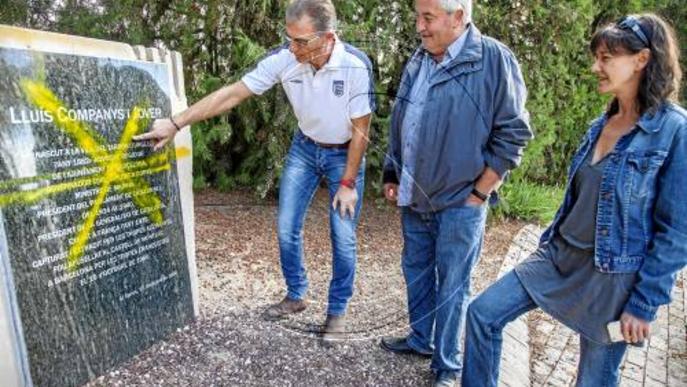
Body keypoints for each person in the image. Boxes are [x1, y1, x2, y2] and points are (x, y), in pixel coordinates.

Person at [462, 13, 687, 387]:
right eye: (596, 56)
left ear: (642, 59)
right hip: (558, 256)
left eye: (606, 58)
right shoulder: (600, 124)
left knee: (593, 380)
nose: (595, 66)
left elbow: (677, 232)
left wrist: (643, 305)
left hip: (612, 276)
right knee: (483, 314)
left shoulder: (675, 132)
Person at [134, 0, 375, 343]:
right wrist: (176, 123)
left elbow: (361, 130)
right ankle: (296, 294)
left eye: (301, 41)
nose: (292, 48)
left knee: (343, 234)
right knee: (286, 226)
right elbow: (232, 95)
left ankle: (337, 312)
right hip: (304, 148)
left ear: (327, 37)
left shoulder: (355, 66)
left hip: (344, 154)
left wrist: (348, 182)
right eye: (288, 38)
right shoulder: (285, 58)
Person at [379, 0, 532, 385]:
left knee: (453, 284)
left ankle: (447, 365)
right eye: (418, 17)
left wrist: (479, 194)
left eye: (428, 18)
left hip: (460, 202)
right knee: (416, 270)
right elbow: (404, 119)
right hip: (414, 196)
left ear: (459, 17)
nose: (420, 26)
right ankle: (420, 338)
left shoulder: (494, 59)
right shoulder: (420, 57)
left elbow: (513, 134)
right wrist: (392, 172)